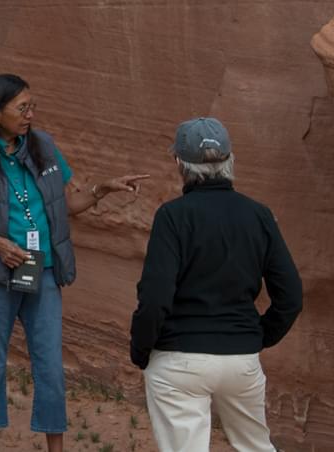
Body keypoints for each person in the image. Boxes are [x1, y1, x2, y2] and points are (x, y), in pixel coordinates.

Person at [0, 73, 147, 452]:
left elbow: (64, 205)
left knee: (50, 365)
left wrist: (102, 189)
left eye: (33, 106)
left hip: (42, 271)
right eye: (22, 108)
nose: (30, 115)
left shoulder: (43, 146)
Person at [130, 117, 303, 452]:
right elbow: (291, 297)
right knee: (256, 446)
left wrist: (141, 348)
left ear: (180, 163)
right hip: (240, 358)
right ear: (229, 160)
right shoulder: (259, 215)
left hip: (179, 358)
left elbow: (155, 296)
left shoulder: (173, 216)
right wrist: (256, 336)